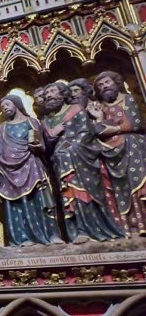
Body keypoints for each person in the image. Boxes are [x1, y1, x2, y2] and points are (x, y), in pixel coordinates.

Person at [41, 83, 124, 243]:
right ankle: (76, 231)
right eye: (46, 94)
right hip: (60, 162)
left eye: (52, 91)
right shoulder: (47, 120)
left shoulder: (77, 110)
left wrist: (72, 148)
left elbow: (86, 132)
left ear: (63, 94)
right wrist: (52, 136)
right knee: (67, 195)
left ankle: (92, 229)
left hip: (81, 158)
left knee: (84, 193)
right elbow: (46, 146)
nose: (48, 96)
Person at [0, 95, 63, 246]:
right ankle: (21, 238)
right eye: (2, 107)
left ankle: (51, 234)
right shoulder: (2, 129)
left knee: (40, 198)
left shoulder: (31, 122)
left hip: (31, 165)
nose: (4, 108)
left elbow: (38, 143)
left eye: (7, 104)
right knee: (15, 204)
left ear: (17, 104)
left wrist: (37, 146)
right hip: (8, 171)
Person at [92, 70, 146, 235]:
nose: (104, 87)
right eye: (100, 85)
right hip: (111, 153)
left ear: (116, 82)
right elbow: (98, 131)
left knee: (138, 180)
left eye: (107, 82)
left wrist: (115, 128)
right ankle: (129, 226)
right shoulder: (99, 107)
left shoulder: (128, 99)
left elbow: (136, 123)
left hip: (132, 146)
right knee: (119, 188)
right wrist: (99, 118)